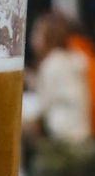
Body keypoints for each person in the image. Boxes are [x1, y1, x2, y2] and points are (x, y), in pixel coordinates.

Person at [25, 12, 91, 146]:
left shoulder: (51, 63)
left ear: (50, 35)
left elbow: (43, 104)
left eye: (37, 32)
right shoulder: (71, 58)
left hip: (63, 139)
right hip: (82, 134)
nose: (33, 38)